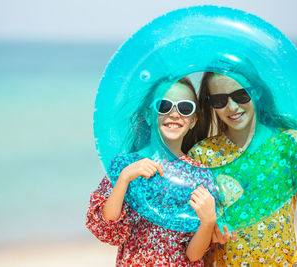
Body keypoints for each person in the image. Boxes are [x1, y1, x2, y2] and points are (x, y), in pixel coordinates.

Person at [188, 72, 297, 266]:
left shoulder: (288, 143)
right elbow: (194, 231)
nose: (232, 107)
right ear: (211, 104)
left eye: (241, 95)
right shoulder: (204, 155)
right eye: (219, 100)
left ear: (257, 92)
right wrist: (212, 234)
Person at [86, 78, 225, 266]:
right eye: (164, 105)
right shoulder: (126, 166)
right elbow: (107, 229)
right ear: (149, 115)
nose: (174, 114)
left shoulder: (200, 175)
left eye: (184, 108)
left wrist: (208, 222)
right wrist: (124, 178)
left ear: (193, 120)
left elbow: (193, 255)